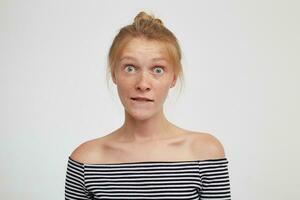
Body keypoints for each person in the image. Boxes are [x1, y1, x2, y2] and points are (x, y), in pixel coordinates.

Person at [65, 11, 231, 200]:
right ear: (114, 74)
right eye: (130, 68)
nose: (143, 84)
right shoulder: (85, 160)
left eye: (158, 70)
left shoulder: (204, 152)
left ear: (173, 78)